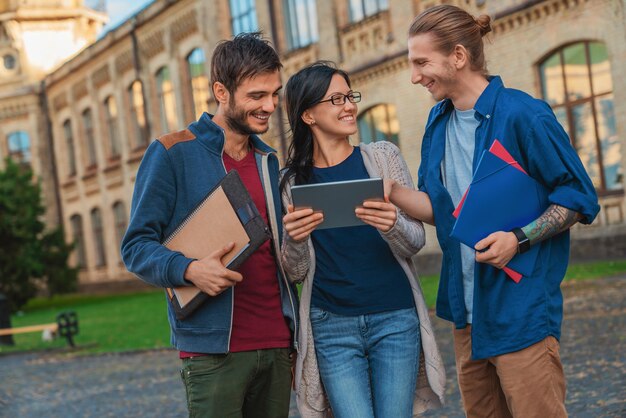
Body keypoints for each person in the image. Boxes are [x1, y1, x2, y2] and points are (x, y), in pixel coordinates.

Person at [388, 5, 600, 418]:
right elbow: (443, 209)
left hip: (519, 311)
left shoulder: (524, 115)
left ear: (459, 57)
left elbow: (578, 196)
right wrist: (391, 192)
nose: (415, 76)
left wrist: (517, 239)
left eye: (421, 62)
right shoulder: (437, 122)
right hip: (466, 316)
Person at [121, 32, 298, 418]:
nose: (270, 106)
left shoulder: (269, 161)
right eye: (256, 96)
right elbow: (135, 247)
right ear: (221, 91)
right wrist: (189, 270)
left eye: (274, 94)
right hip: (212, 352)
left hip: (276, 344)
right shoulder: (172, 152)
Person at [279, 61, 445, 418]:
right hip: (331, 325)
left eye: (349, 96)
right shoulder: (291, 183)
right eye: (336, 99)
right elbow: (295, 272)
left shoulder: (382, 158)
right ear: (308, 115)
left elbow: (415, 241)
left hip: (395, 318)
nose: (349, 106)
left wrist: (391, 226)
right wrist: (294, 240)